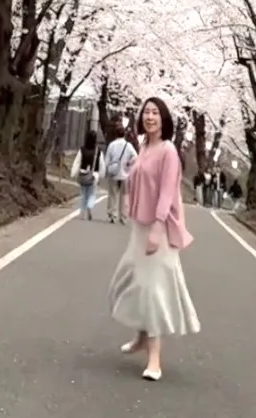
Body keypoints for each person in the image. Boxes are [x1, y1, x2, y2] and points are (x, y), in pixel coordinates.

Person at [108, 95, 200, 381]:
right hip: (139, 226)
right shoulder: (144, 146)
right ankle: (140, 336)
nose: (149, 117)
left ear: (164, 119)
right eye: (146, 112)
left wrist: (158, 228)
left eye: (155, 113)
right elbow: (134, 179)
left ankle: (155, 359)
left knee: (154, 290)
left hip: (156, 229)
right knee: (132, 282)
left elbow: (166, 191)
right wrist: (127, 203)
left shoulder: (168, 151)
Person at [103, 123, 136, 224]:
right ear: (124, 134)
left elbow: (107, 159)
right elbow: (136, 157)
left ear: (115, 134)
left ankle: (112, 214)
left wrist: (106, 171)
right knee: (124, 195)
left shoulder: (112, 145)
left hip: (114, 173)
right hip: (125, 173)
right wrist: (129, 163)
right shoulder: (128, 145)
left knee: (112, 194)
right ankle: (123, 216)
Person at [71, 127, 103, 219]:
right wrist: (101, 175)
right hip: (94, 175)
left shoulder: (82, 150)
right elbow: (101, 164)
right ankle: (90, 206)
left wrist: (73, 173)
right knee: (92, 194)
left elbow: (77, 162)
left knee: (83, 194)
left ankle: (82, 212)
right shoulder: (98, 151)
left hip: (83, 174)